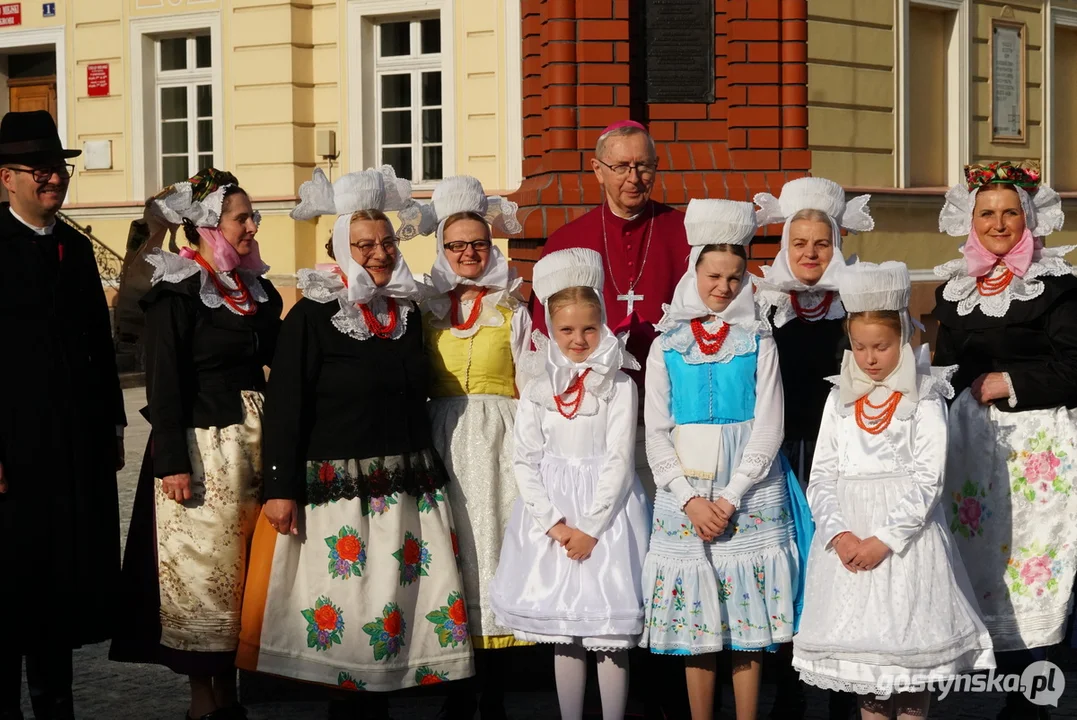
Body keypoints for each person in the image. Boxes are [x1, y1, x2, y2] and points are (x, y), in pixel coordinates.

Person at [237, 167, 474, 719]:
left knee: (394, 615)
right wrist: (280, 488)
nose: (379, 253)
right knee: (349, 622)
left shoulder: (407, 313)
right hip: (338, 496)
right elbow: (288, 406)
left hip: (406, 489)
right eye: (365, 244)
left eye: (387, 241)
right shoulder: (313, 317)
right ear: (341, 247)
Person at [528, 117, 691, 720]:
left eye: (644, 164)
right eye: (620, 165)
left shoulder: (679, 233)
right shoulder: (567, 242)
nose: (634, 177)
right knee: (609, 568)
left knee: (663, 558)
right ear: (596, 171)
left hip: (671, 424)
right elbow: (545, 344)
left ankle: (664, 693)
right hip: (596, 429)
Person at [109, 169, 283, 720]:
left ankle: (232, 689)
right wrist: (173, 464)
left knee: (245, 572)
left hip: (252, 448)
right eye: (242, 218)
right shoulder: (178, 291)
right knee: (202, 573)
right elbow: (163, 382)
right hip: (202, 450)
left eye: (252, 216)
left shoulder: (256, 289)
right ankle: (203, 701)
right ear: (209, 226)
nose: (253, 225)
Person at [792, 261, 995, 720]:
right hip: (846, 542)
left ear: (902, 337)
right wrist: (840, 534)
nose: (868, 358)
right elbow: (821, 475)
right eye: (859, 347)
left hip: (904, 546)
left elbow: (929, 478)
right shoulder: (838, 397)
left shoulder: (923, 396)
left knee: (906, 663)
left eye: (880, 347)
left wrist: (883, 538)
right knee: (867, 670)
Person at [640, 199, 812, 720]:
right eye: (714, 275)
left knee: (746, 614)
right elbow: (654, 429)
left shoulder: (759, 340)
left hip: (751, 488)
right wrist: (689, 500)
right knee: (700, 620)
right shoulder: (665, 343)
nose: (724, 287)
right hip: (684, 492)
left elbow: (770, 426)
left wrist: (733, 494)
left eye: (736, 277)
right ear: (694, 272)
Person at [932, 160, 1074, 720]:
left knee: (1036, 562)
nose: (997, 223)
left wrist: (1010, 381)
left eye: (1009, 212)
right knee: (984, 564)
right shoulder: (956, 286)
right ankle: (1003, 688)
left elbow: (1076, 366)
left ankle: (1034, 700)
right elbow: (942, 370)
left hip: (1039, 447)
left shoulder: (1057, 284)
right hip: (970, 448)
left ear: (1029, 218)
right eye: (986, 213)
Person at [0, 110, 126, 720]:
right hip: (11, 456)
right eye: (41, 169)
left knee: (56, 593)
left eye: (59, 167)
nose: (54, 178)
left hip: (72, 453)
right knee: (9, 592)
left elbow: (99, 350)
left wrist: (114, 428)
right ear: (7, 178)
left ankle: (57, 706)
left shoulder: (75, 248)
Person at [490, 248, 650, 720]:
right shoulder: (540, 387)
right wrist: (555, 524)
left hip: (608, 518)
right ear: (550, 331)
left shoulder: (621, 385)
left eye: (588, 328)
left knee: (609, 634)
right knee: (566, 631)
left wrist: (591, 528)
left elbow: (620, 460)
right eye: (566, 329)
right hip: (554, 517)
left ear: (603, 324)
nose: (578, 339)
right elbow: (525, 459)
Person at [752, 177, 872, 720]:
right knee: (788, 571)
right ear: (783, 246)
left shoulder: (855, 305)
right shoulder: (764, 305)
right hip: (781, 457)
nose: (809, 254)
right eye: (798, 243)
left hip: (839, 459)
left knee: (836, 567)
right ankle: (788, 687)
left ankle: (842, 694)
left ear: (836, 245)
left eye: (820, 244)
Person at [417, 175, 530, 718]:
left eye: (477, 245)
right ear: (442, 248)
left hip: (499, 444)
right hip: (440, 440)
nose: (467, 254)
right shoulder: (422, 306)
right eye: (457, 245)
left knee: (493, 553)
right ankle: (454, 686)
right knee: (448, 558)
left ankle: (496, 691)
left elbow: (530, 384)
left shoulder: (513, 306)